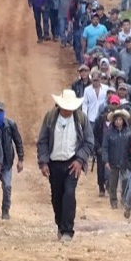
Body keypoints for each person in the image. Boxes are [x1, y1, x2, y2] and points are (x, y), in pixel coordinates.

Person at [36, 90, 95, 241]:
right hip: (54, 163)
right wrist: (43, 162)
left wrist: (80, 160)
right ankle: (60, 225)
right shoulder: (50, 118)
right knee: (56, 196)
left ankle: (68, 230)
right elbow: (42, 141)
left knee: (69, 194)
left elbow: (89, 141)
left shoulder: (81, 119)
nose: (67, 110)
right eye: (65, 107)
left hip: (72, 163)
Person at [0, 102, 24, 220]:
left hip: (7, 162)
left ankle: (5, 210)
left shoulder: (10, 125)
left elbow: (18, 141)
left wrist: (20, 159)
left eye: (1, 111)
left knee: (7, 186)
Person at [102, 108, 131, 209]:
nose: (118, 121)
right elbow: (105, 147)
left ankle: (124, 199)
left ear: (123, 121)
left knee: (125, 182)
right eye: (116, 120)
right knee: (113, 183)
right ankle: (113, 201)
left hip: (125, 162)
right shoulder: (109, 133)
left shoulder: (128, 133)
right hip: (113, 161)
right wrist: (106, 160)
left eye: (120, 120)